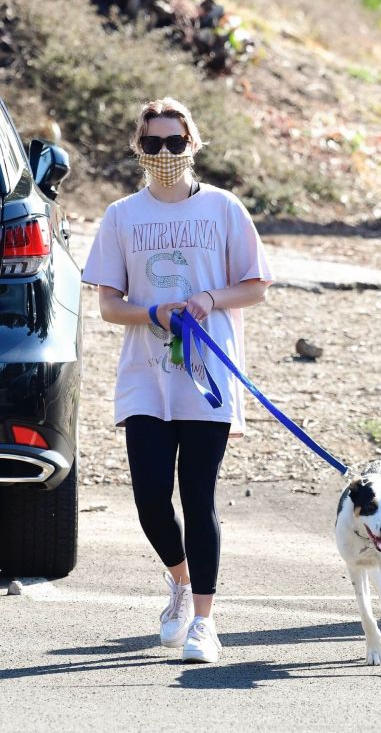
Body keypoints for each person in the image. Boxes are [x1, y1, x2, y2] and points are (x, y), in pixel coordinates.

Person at [82, 96, 273, 663]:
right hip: (145, 375)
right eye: (152, 143)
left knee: (199, 494)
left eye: (174, 141)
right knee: (148, 500)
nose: (164, 153)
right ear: (138, 148)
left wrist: (209, 299)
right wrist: (155, 313)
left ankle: (204, 624)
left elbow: (257, 285)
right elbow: (108, 306)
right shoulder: (122, 216)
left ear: (193, 143)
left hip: (208, 374)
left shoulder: (223, 209)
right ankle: (180, 583)